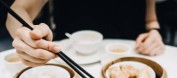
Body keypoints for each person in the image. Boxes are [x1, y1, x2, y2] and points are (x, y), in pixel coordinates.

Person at [6, 0, 165, 67]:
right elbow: (18, 11)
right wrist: (27, 36)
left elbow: (150, 19)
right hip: (70, 60)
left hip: (128, 56)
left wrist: (154, 31)